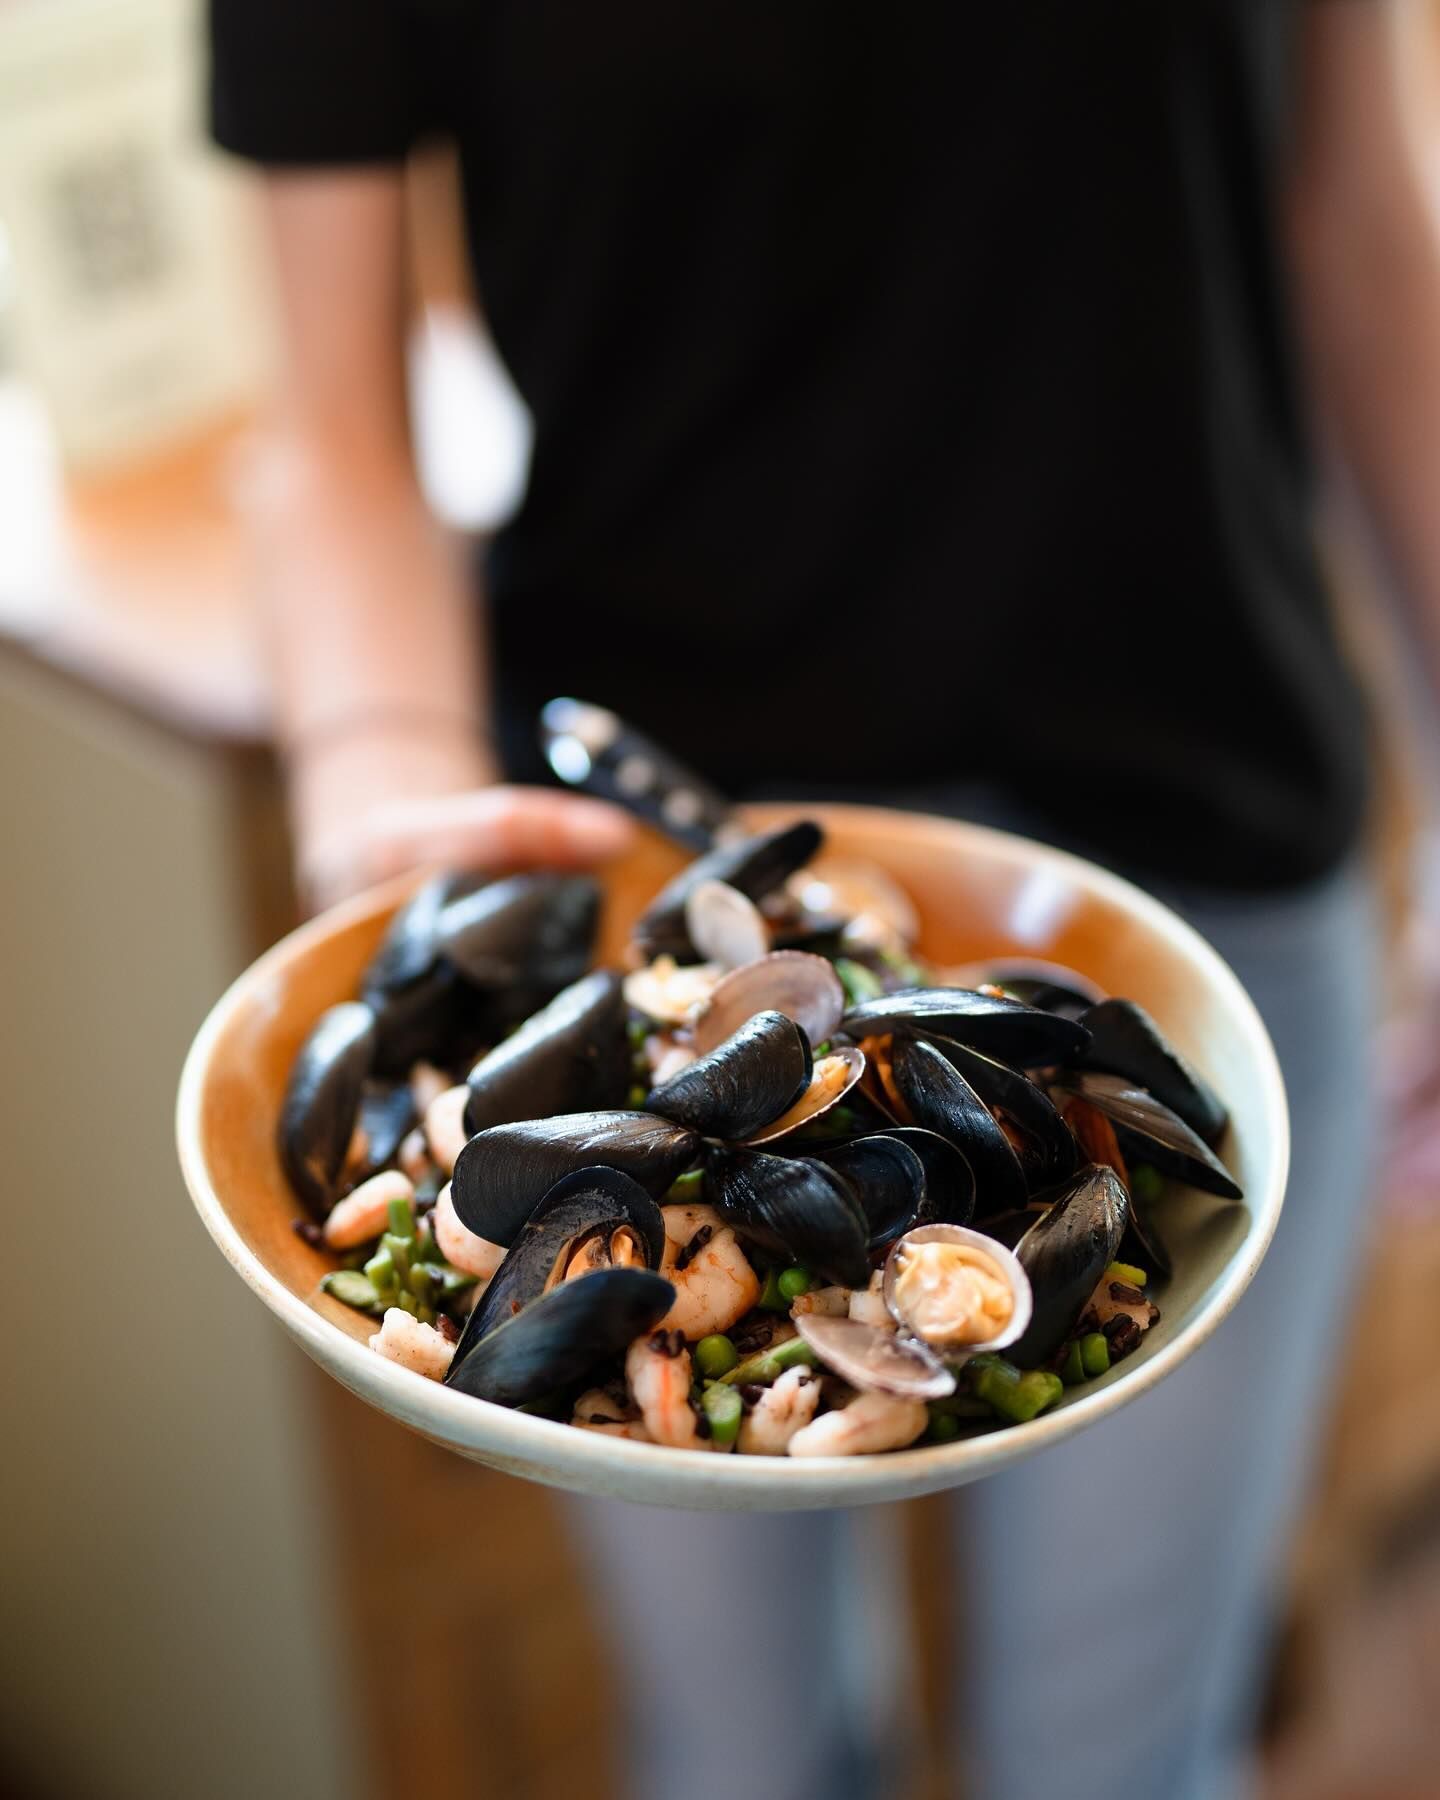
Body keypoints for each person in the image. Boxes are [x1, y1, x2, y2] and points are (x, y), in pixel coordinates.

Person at [210, 4, 1440, 1795]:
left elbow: (1362, 220)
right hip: (640, 915)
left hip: (1205, 882)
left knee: (1121, 1766)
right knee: (742, 1766)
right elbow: (329, 426)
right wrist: (386, 792)